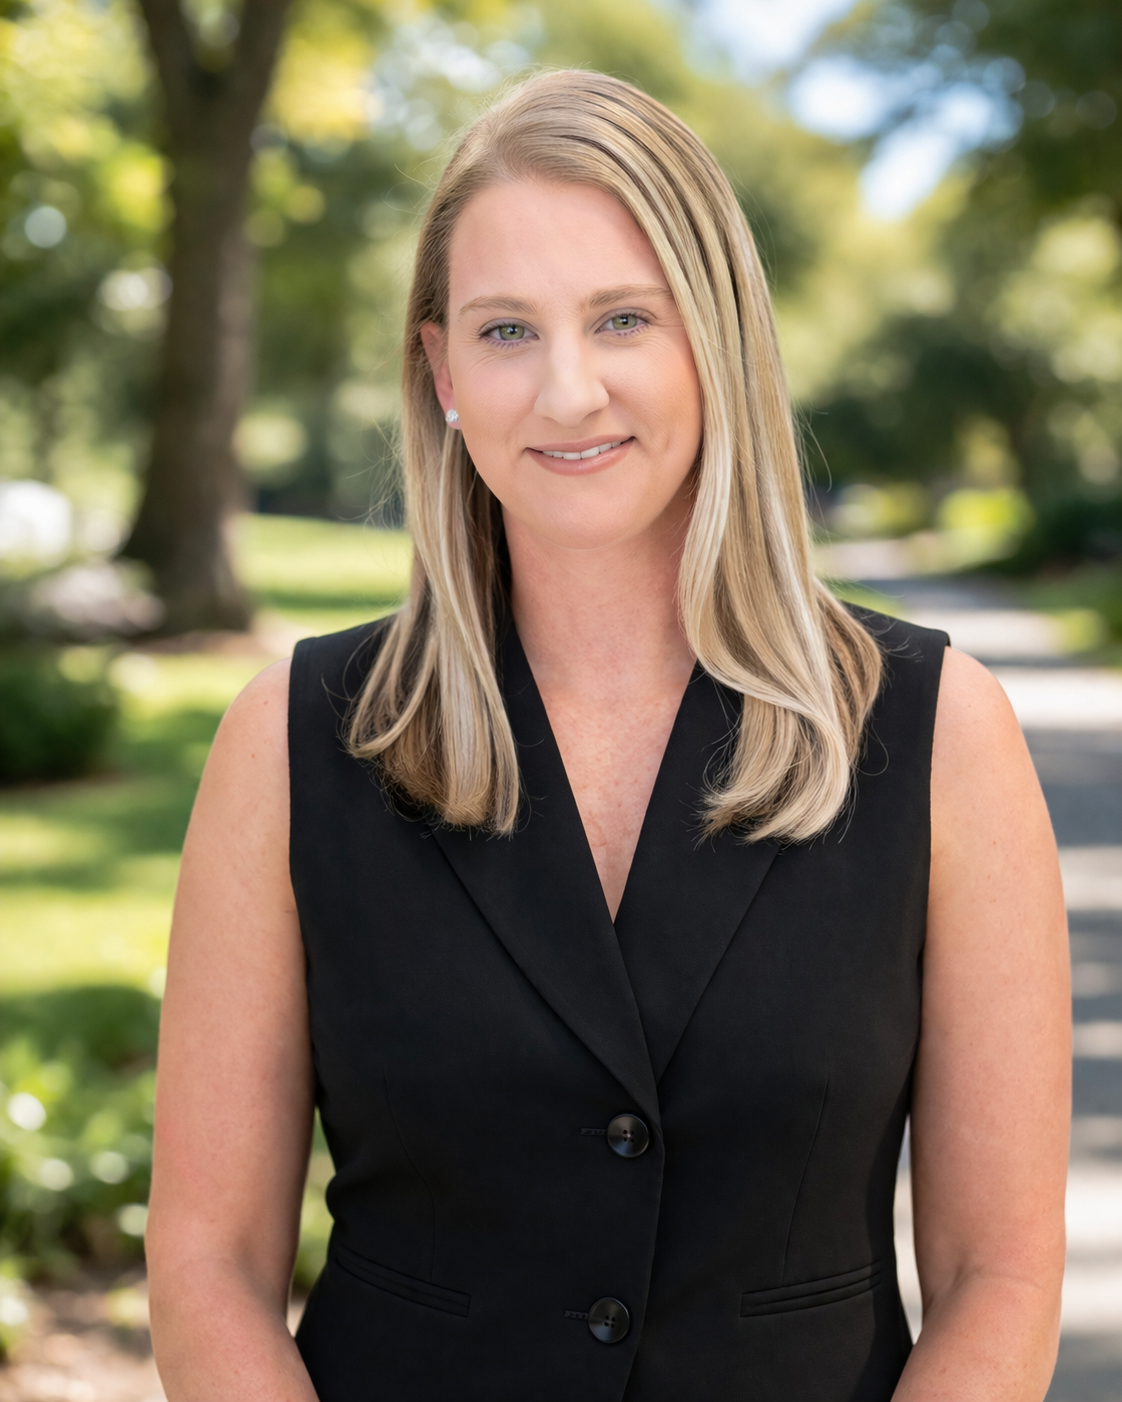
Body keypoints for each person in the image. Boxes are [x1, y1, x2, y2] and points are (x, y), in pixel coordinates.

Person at [146, 70, 1070, 1402]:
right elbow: (207, 1260)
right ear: (441, 369)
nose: (567, 390)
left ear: (715, 339)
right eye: (507, 330)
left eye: (623, 317)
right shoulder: (294, 743)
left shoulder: (933, 728)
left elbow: (999, 1273)